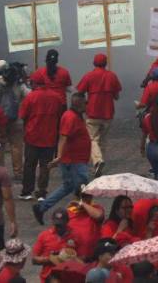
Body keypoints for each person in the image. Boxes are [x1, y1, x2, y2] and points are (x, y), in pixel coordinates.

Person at [33, 93, 91, 224]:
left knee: (68, 186)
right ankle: (78, 216)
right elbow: (63, 138)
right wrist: (59, 157)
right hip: (73, 161)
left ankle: (42, 207)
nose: (87, 105)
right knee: (82, 188)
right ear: (79, 104)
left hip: (75, 159)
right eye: (85, 103)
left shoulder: (76, 116)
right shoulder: (70, 117)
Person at [76, 53, 122, 179]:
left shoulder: (89, 76)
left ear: (94, 63)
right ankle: (99, 164)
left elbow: (79, 92)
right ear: (105, 63)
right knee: (102, 140)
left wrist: (84, 103)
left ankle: (97, 161)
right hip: (108, 113)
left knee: (92, 139)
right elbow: (117, 96)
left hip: (92, 113)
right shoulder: (112, 76)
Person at [18, 78, 63, 201]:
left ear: (35, 84)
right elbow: (61, 114)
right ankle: (42, 192)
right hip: (49, 136)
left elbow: (23, 115)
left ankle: (27, 191)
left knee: (29, 164)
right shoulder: (56, 97)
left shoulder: (30, 97)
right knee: (45, 165)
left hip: (32, 135)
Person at [0, 61, 28, 180]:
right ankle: (18, 173)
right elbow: (28, 95)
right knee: (16, 147)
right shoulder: (18, 84)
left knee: (0, 146)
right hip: (16, 120)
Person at [32, 209, 75, 282]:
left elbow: (80, 258)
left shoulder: (74, 235)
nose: (58, 227)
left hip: (68, 277)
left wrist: (69, 258)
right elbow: (34, 259)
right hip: (49, 277)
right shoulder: (44, 236)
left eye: (61, 225)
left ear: (67, 221)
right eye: (56, 224)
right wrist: (52, 259)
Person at [66, 186, 104, 260]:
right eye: (83, 196)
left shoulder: (96, 207)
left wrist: (83, 204)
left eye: (88, 196)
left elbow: (98, 216)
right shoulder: (70, 210)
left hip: (91, 256)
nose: (86, 198)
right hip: (73, 256)